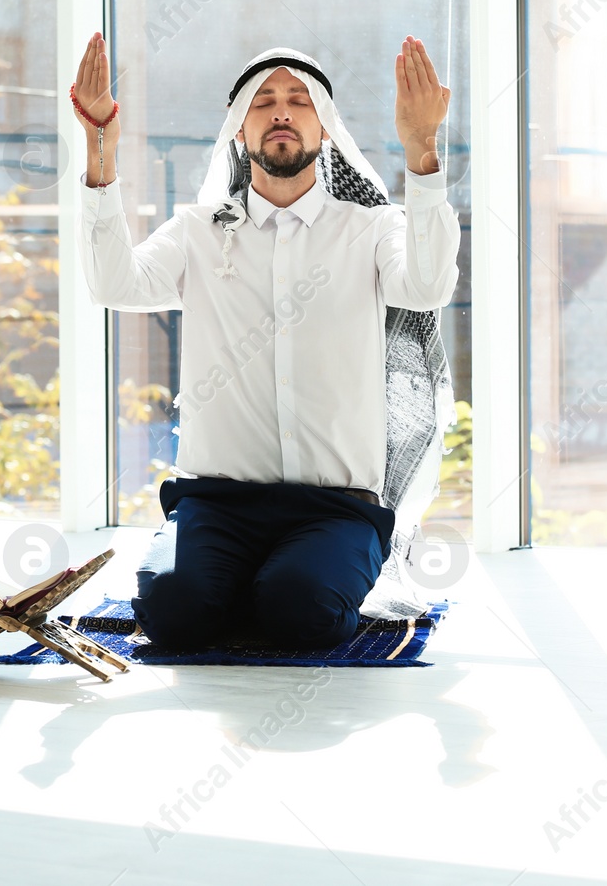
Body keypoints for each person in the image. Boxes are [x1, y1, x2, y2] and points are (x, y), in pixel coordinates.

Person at [70, 35, 460, 649]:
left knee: (301, 615)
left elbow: (429, 285)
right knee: (172, 614)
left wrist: (422, 152)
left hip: (335, 510)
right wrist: (101, 153)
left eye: (299, 100)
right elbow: (112, 283)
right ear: (238, 131)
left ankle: (283, 580)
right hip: (215, 506)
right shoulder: (198, 231)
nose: (281, 111)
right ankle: (226, 580)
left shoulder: (374, 228)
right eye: (264, 101)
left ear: (325, 129)